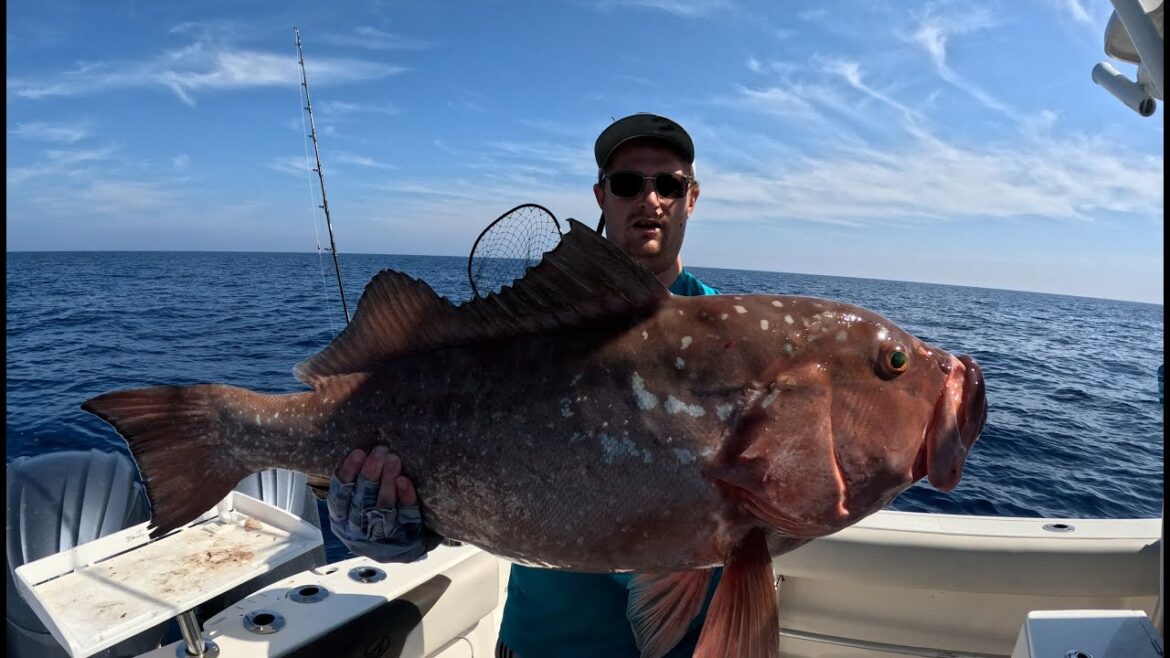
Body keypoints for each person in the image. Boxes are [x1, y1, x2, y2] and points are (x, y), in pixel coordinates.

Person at [327, 113, 722, 658]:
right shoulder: (538, 326)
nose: (650, 199)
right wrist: (404, 528)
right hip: (539, 642)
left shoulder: (732, 339)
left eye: (669, 184)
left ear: (691, 198)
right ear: (601, 195)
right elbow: (475, 459)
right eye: (629, 183)